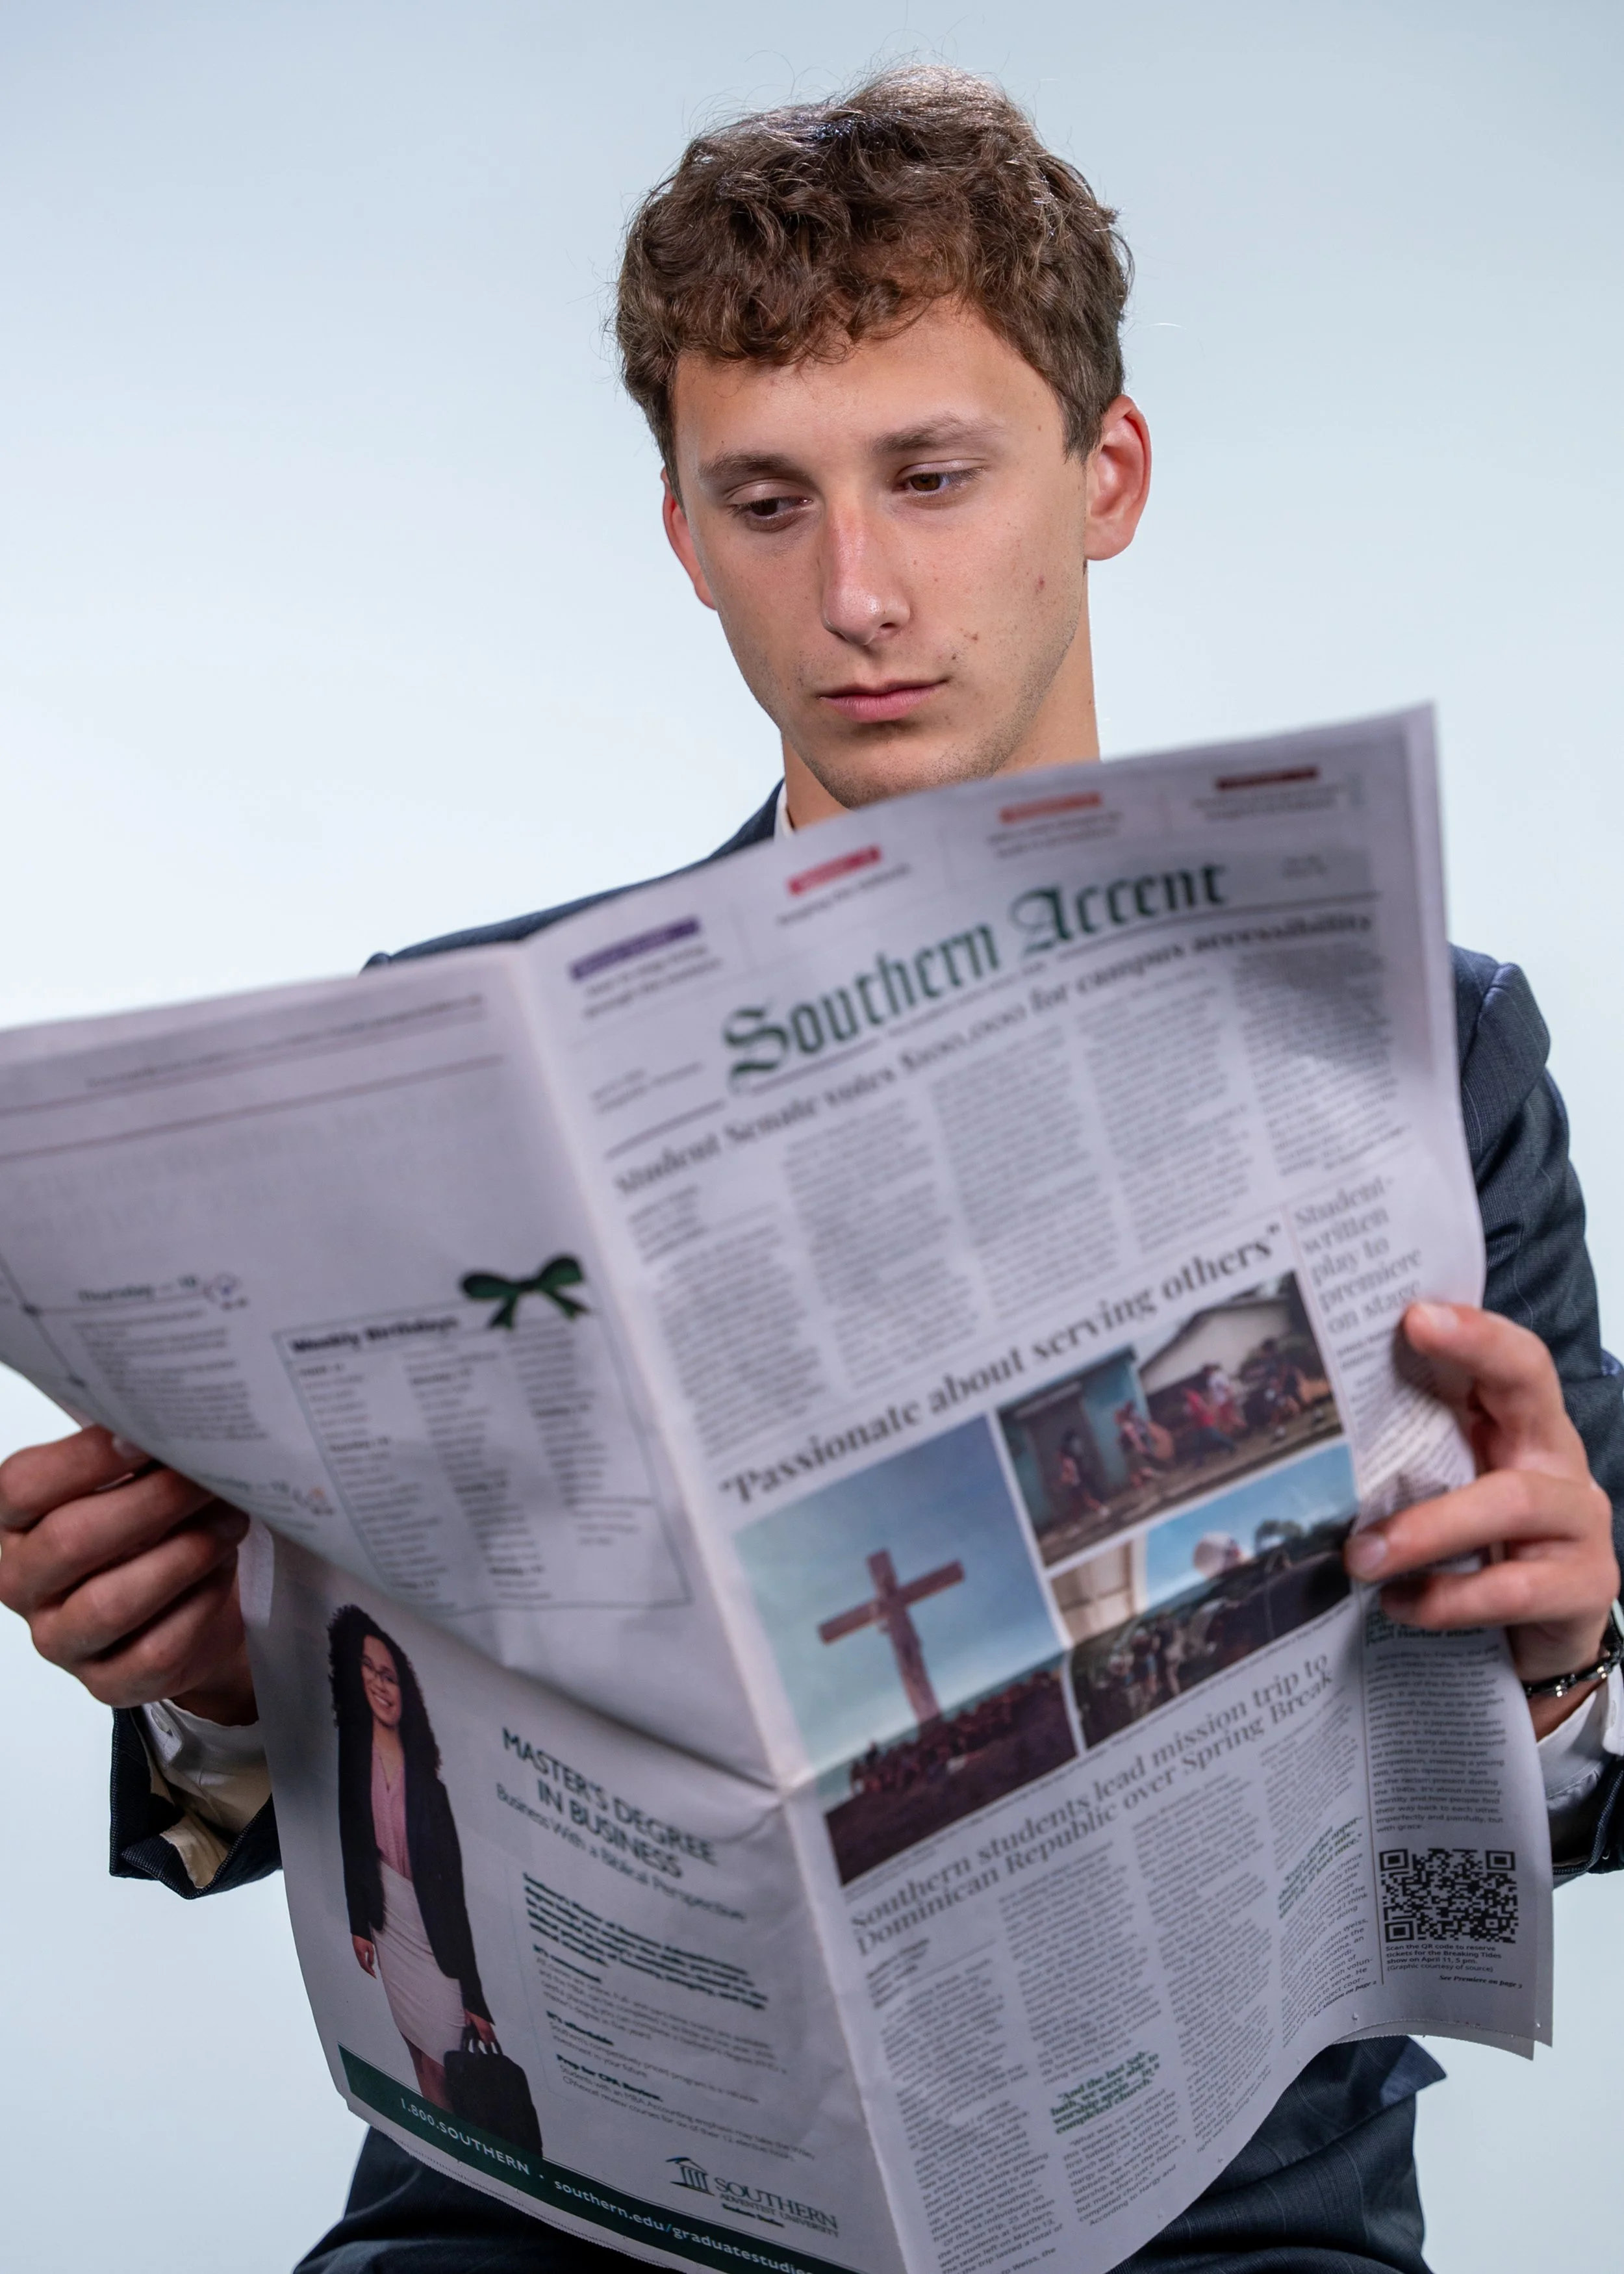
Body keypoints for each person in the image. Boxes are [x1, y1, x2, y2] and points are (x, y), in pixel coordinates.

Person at [1, 64, 1621, 2274]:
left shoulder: (1423, 1041)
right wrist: (216, 1686)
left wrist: (1561, 1659)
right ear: (683, 536)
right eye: (764, 502)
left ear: (1105, 475)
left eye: (934, 477)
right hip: (558, 2217)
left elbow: (1585, 1772)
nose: (859, 591)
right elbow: (356, 1798)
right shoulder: (463, 1055)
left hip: (1223, 2216)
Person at [329, 1605, 496, 2112]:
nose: (380, 1685)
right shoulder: (352, 1756)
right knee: (417, 2056)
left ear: (407, 1693)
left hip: (431, 1937)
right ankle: (445, 2159)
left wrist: (474, 1998)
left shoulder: (432, 1789)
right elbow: (350, 1839)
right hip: (388, 1925)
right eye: (369, 1669)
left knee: (449, 2062)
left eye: (390, 1676)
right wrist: (359, 1923)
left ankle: (467, 2164)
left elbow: (455, 1900)